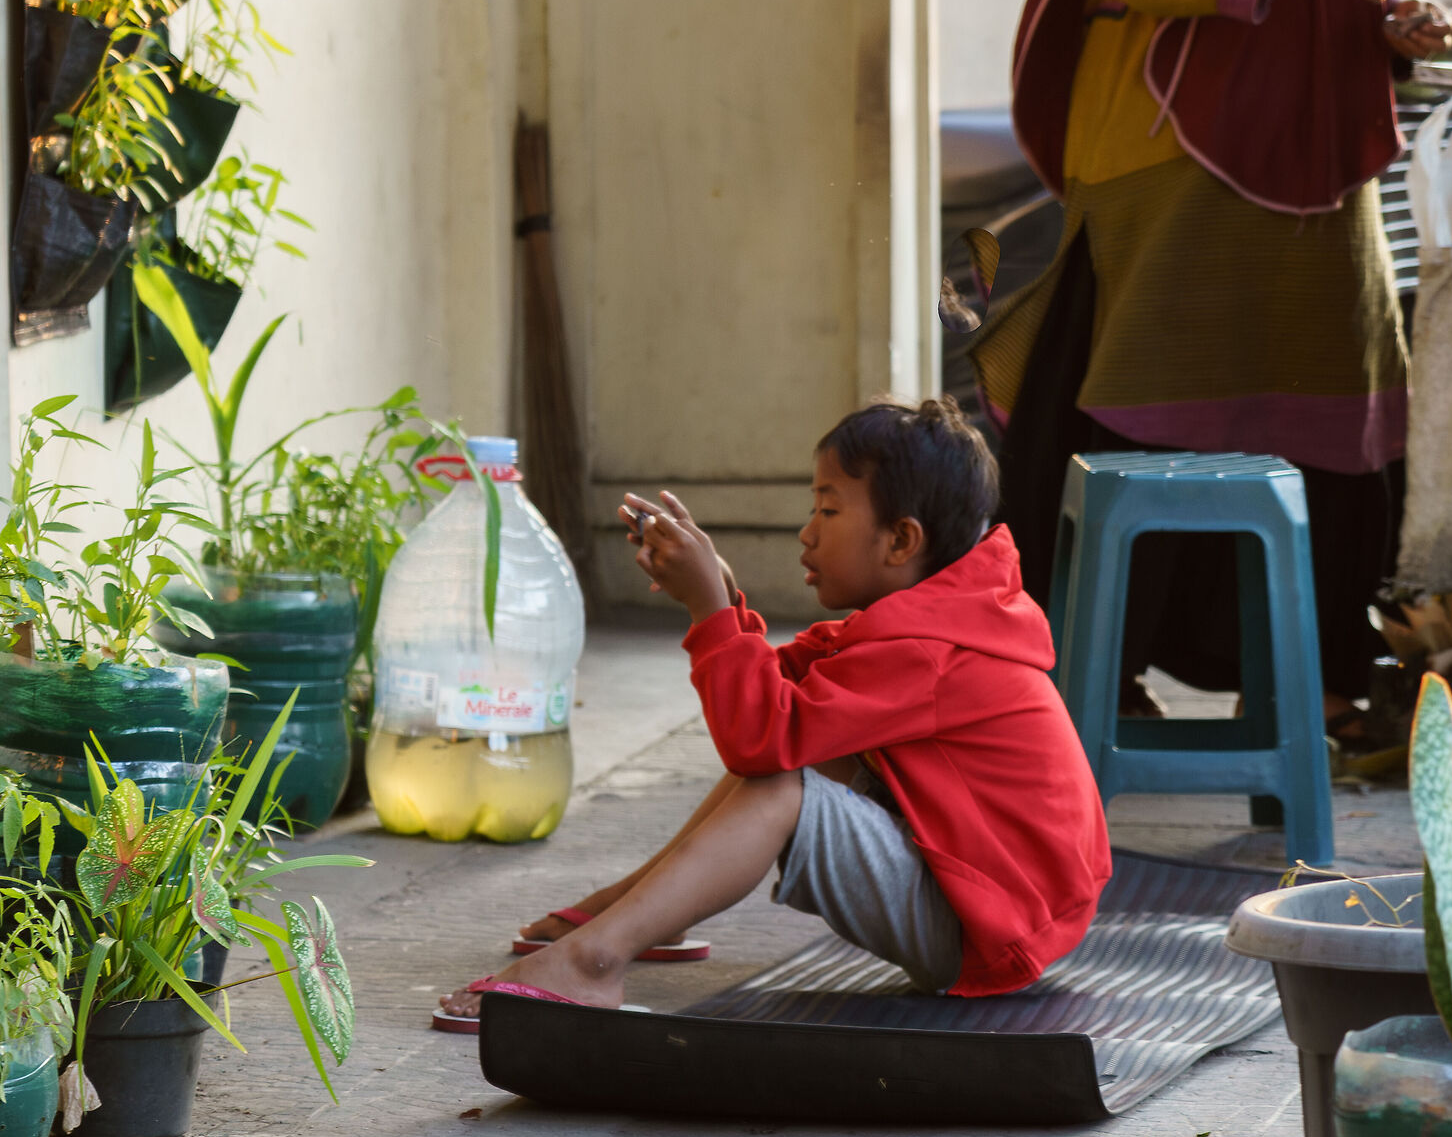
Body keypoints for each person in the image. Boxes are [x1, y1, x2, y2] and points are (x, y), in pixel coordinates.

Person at [972, 0, 1452, 742]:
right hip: (1170, 184)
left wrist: (1408, 25)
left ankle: (1313, 687)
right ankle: (1099, 678)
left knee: (1338, 441)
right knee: (1140, 428)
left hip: (1319, 197)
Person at [434, 398, 1111, 1027]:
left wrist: (708, 615)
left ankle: (594, 961)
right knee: (799, 749)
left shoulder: (931, 650)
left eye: (829, 511)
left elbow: (761, 740)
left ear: (901, 542)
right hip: (1000, 904)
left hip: (990, 926)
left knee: (780, 783)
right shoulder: (931, 620)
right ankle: (639, 911)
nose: (806, 532)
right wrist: (727, 605)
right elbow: (788, 694)